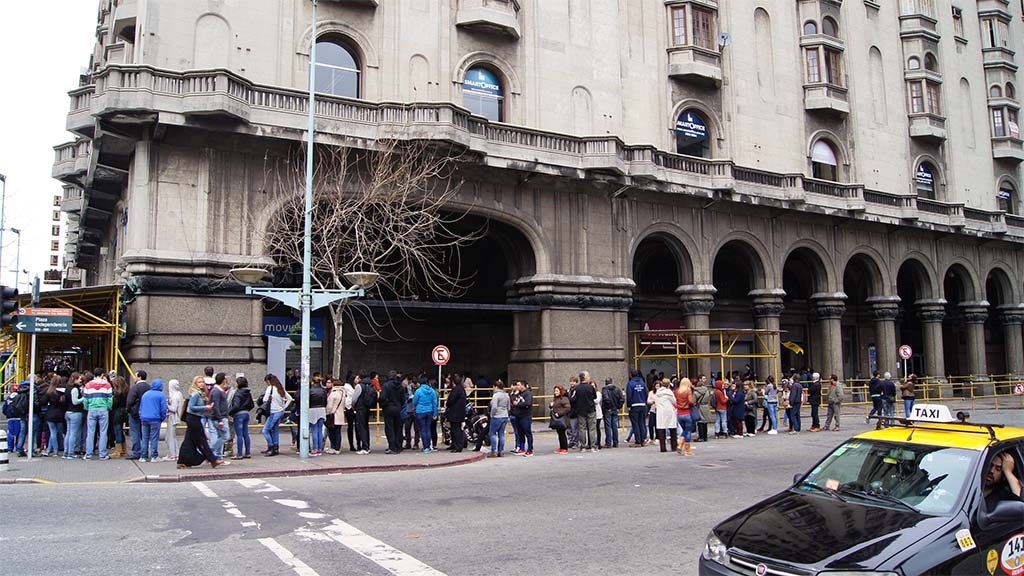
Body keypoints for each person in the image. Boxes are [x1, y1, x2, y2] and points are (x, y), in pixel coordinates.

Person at [177, 376, 225, 469]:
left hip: (196, 418)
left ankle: (182, 461)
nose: (202, 384)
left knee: (189, 441)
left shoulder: (201, 394)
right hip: (193, 419)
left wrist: (206, 409)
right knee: (202, 440)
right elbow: (191, 407)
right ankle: (213, 459)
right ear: (195, 384)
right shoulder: (195, 394)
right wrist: (205, 407)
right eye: (199, 382)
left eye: (203, 382)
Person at [83, 371, 113, 460]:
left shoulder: (88, 385)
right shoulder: (107, 385)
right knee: (103, 432)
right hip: (103, 409)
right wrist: (108, 407)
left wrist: (87, 407)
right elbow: (110, 399)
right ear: (102, 375)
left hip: (91, 409)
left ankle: (88, 454)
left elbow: (85, 399)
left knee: (90, 432)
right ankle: (102, 454)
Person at [260, 374, 291, 457]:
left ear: (269, 381)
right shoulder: (280, 388)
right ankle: (276, 447)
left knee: (265, 430)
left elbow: (265, 400)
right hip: (280, 412)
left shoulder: (270, 388)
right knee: (275, 430)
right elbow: (290, 398)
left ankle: (271, 447)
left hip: (273, 412)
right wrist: (283, 407)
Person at [139, 378, 167, 462]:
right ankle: (154, 456)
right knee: (154, 438)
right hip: (155, 418)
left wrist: (141, 415)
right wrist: (162, 418)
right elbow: (163, 409)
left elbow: (141, 407)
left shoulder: (145, 394)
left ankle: (143, 456)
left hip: (144, 418)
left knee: (145, 437)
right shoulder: (161, 395)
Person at [125, 370, 150, 460]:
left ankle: (136, 452)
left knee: (135, 433)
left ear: (139, 377)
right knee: (145, 434)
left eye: (135, 376)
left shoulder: (135, 388)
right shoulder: (149, 387)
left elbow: (130, 401)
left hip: (135, 413)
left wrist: (128, 410)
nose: (134, 377)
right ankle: (145, 452)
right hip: (146, 413)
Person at [351, 373, 377, 454]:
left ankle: (364, 447)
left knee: (361, 427)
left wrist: (353, 406)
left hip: (360, 408)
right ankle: (367, 446)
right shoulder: (370, 385)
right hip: (367, 408)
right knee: (366, 427)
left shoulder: (359, 386)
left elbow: (354, 399)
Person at [229, 376, 254, 459]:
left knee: (239, 435)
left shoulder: (238, 393)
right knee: (246, 434)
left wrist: (230, 413)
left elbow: (236, 405)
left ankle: (239, 454)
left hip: (238, 414)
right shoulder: (248, 392)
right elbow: (252, 405)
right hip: (246, 413)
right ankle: (248, 452)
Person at [380, 371, 405, 455]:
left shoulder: (386, 386)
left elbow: (382, 397)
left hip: (388, 408)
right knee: (398, 428)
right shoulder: (401, 386)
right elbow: (403, 399)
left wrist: (383, 405)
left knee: (389, 428)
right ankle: (398, 446)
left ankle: (392, 447)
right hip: (398, 408)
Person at [573, 371, 598, 452]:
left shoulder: (577, 388)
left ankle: (583, 446)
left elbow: (574, 398)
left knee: (582, 429)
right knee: (592, 429)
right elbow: (594, 396)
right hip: (590, 409)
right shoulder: (590, 387)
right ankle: (593, 446)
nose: (589, 377)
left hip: (580, 410)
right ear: (585, 377)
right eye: (588, 376)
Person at [412, 376, 438, 454]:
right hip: (430, 411)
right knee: (428, 429)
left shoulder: (418, 391)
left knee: (423, 429)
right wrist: (435, 413)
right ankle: (429, 446)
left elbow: (414, 402)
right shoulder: (432, 391)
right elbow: (435, 403)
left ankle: (425, 447)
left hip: (420, 412)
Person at [42, 375, 66, 457]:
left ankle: (53, 450)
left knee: (53, 432)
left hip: (50, 413)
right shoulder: (63, 392)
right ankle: (50, 450)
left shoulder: (49, 392)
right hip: (60, 414)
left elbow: (43, 402)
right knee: (57, 432)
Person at [208, 373, 230, 459]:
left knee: (221, 436)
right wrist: (220, 419)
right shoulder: (217, 391)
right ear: (223, 380)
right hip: (219, 418)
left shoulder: (218, 390)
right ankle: (210, 451)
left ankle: (217, 456)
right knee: (225, 436)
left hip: (221, 416)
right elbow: (216, 406)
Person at [63, 374, 85, 459]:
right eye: (79, 379)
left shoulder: (67, 388)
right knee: (73, 433)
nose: (81, 381)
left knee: (68, 433)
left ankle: (66, 451)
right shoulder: (75, 389)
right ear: (75, 379)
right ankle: (71, 452)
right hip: (75, 412)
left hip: (68, 412)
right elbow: (75, 401)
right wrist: (84, 397)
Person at [486, 380, 510, 457]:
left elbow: (494, 407)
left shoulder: (496, 395)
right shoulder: (506, 395)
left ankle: (494, 451)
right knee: (501, 434)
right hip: (505, 415)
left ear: (496, 387)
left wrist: (491, 414)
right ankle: (501, 451)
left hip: (497, 416)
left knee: (492, 433)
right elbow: (509, 407)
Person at [445, 374, 468, 453]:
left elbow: (450, 401)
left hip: (455, 413)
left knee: (456, 430)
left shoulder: (456, 390)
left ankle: (457, 446)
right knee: (455, 429)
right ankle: (454, 445)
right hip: (460, 412)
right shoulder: (462, 389)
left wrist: (447, 404)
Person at [510, 380, 534, 456]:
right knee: (520, 433)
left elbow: (528, 403)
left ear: (523, 385)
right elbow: (513, 401)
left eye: (518, 385)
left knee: (527, 432)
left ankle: (530, 449)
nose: (517, 387)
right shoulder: (518, 393)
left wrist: (518, 404)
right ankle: (522, 448)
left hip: (525, 416)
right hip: (518, 415)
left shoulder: (528, 393)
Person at [654, 379, 678, 452]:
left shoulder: (658, 392)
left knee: (661, 428)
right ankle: (674, 446)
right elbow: (674, 401)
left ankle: (663, 448)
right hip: (669, 411)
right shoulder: (669, 392)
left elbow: (656, 402)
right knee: (672, 428)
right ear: (668, 385)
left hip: (660, 412)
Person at [626, 369, 648, 447]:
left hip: (634, 405)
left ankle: (638, 441)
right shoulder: (642, 383)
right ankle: (643, 439)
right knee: (642, 423)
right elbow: (646, 393)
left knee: (635, 424)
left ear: (631, 375)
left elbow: (629, 396)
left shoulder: (630, 383)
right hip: (643, 404)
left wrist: (629, 405)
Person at [674, 377, 695, 456]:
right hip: (687, 412)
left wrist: (678, 406)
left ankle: (680, 445)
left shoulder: (677, 391)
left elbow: (674, 402)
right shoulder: (688, 391)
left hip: (679, 414)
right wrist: (693, 404)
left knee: (684, 430)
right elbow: (690, 401)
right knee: (688, 431)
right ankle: (687, 450)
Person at [601, 377, 624, 448]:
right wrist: (618, 407)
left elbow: (606, 399)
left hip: (608, 409)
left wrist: (608, 406)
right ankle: (615, 442)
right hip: (615, 409)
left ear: (606, 383)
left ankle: (608, 442)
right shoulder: (617, 389)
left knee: (608, 426)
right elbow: (622, 399)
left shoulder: (605, 389)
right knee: (615, 426)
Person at [325, 377, 345, 454]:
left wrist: (327, 413)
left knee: (331, 432)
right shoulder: (342, 393)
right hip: (340, 415)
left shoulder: (333, 394)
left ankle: (333, 447)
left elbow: (329, 406)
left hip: (333, 416)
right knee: (338, 432)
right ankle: (338, 448)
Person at [165, 379, 183, 461]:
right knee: (172, 436)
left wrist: (166, 404)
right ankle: (176, 453)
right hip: (176, 417)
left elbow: (173, 408)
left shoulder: (175, 396)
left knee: (170, 437)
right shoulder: (179, 394)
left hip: (173, 418)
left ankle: (173, 454)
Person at [550, 385, 571, 454]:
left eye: (557, 391)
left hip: (562, 418)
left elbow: (567, 408)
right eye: (555, 391)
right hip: (557, 418)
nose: (555, 392)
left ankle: (564, 448)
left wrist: (559, 413)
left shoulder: (564, 398)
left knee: (562, 433)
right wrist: (551, 405)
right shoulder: (556, 398)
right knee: (560, 433)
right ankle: (562, 447)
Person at [343, 377, 357, 452]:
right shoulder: (347, 386)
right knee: (350, 427)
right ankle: (351, 445)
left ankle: (358, 444)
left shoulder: (357, 386)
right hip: (349, 407)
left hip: (355, 408)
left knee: (357, 427)